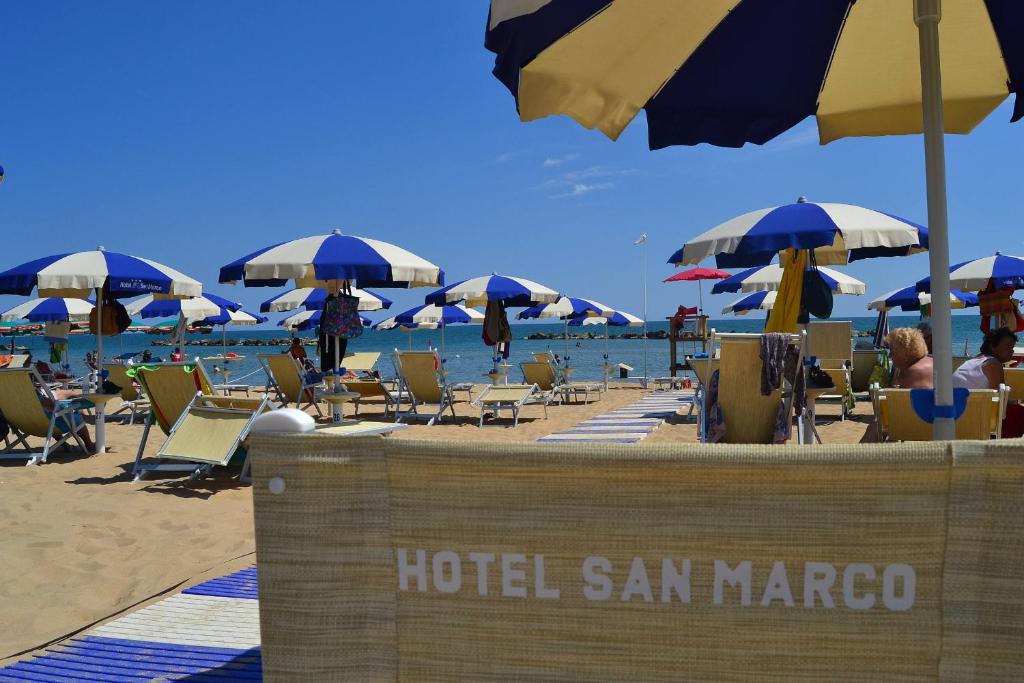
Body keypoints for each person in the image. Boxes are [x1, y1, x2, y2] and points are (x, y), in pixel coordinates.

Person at [860, 328, 933, 442]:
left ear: (903, 352)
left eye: (892, 351)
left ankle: (858, 456)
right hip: (936, 422)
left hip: (921, 426)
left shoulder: (912, 372)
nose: (889, 356)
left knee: (876, 424)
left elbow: (903, 413)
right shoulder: (930, 362)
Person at [953, 327, 1023, 437]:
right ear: (993, 346)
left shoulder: (974, 360)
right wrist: (1016, 402)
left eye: (1013, 347)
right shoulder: (993, 363)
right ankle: (1007, 449)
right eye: (1008, 346)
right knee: (1019, 413)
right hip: (974, 419)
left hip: (957, 415)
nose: (1012, 350)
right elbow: (1001, 402)